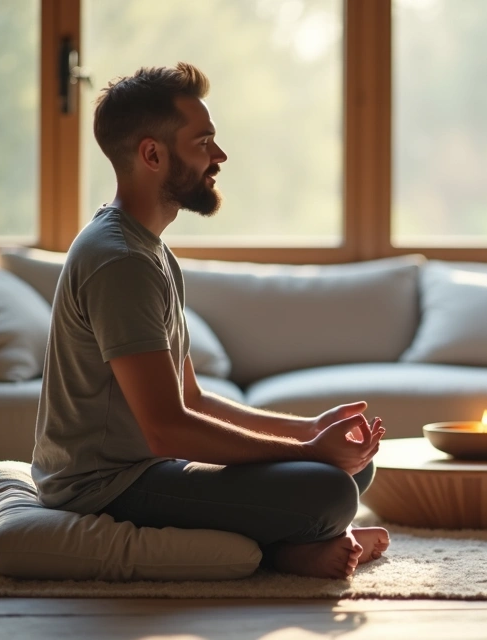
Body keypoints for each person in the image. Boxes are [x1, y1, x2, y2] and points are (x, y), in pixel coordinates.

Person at [31, 63, 388, 580]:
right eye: (204, 143)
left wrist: (310, 431)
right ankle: (282, 553)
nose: (219, 157)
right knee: (328, 489)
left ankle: (298, 540)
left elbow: (191, 399)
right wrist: (307, 451)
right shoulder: (121, 262)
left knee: (352, 465)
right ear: (153, 154)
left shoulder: (150, 251)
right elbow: (165, 429)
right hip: (102, 487)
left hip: (148, 469)